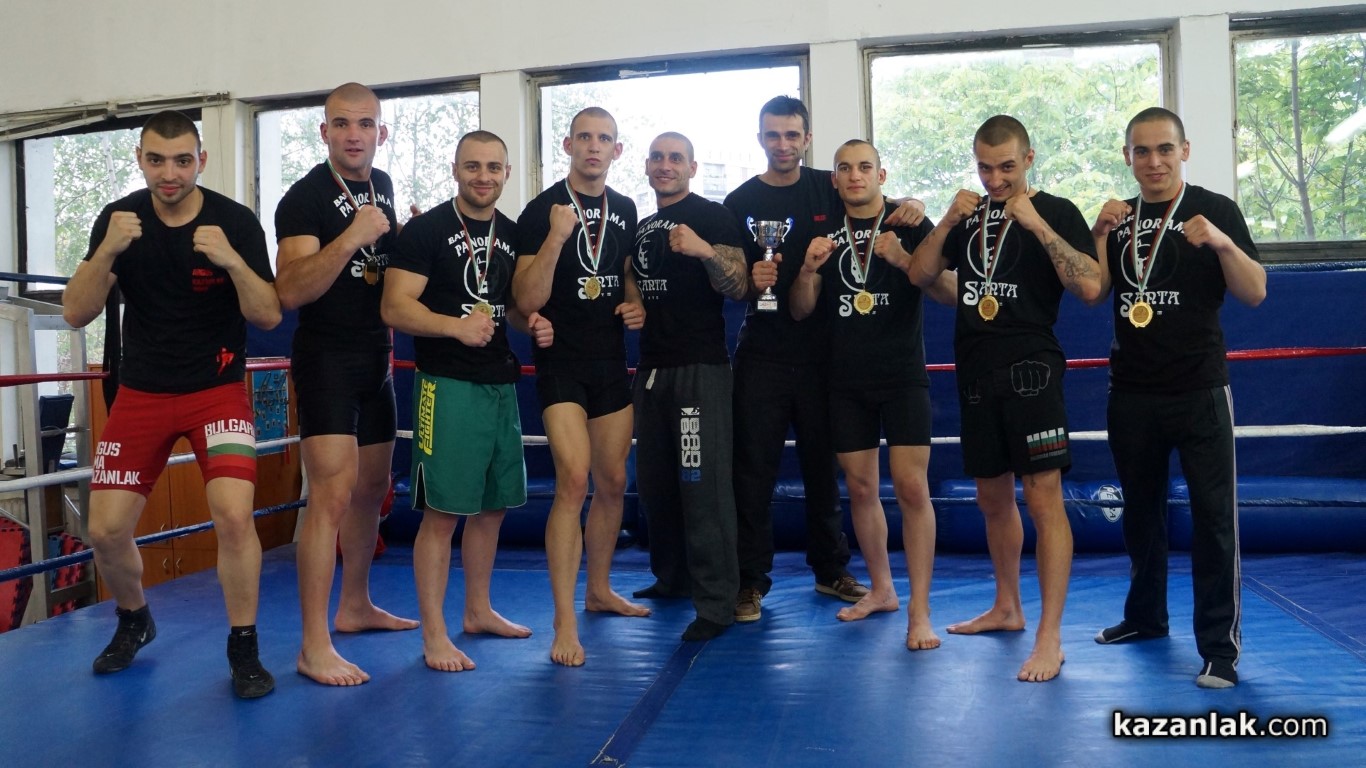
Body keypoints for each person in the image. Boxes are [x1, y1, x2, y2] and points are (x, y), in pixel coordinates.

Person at [62, 110, 281, 698]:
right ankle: (135, 617)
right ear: (139, 159)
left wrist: (232, 260)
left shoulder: (234, 221)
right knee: (105, 530)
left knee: (233, 515)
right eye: (157, 160)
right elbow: (75, 312)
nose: (170, 173)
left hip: (217, 391)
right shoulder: (119, 219)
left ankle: (244, 647)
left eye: (183, 160)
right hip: (142, 393)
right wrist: (106, 252)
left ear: (200, 161)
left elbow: (267, 315)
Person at [907, 115, 1102, 682]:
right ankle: (1007, 606)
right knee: (992, 498)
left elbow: (1091, 287)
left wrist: (1037, 225)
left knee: (1043, 497)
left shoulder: (1057, 210)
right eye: (985, 168)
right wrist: (948, 218)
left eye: (1007, 167)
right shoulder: (968, 217)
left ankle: (1050, 637)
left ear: (1029, 159)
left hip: (1032, 370)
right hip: (975, 371)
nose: (995, 179)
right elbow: (920, 275)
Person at [724, 96, 923, 623]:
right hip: (763, 352)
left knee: (824, 471)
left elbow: (873, 203)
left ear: (806, 139)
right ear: (760, 138)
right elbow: (729, 278)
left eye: (792, 135)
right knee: (753, 472)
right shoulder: (739, 200)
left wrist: (911, 204)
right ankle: (749, 581)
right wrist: (750, 281)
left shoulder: (828, 186)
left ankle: (831, 569)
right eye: (773, 135)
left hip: (825, 355)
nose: (783, 144)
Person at [1089, 107, 1265, 689]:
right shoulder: (1118, 218)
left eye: (1165, 149)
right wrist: (1097, 235)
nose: (1154, 161)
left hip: (1199, 389)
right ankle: (1145, 617)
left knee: (1214, 521)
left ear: (1184, 151)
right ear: (1128, 157)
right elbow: (1093, 292)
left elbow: (1256, 293)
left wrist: (1222, 244)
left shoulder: (1215, 209)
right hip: (1131, 392)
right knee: (1140, 514)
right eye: (1142, 151)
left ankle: (1220, 649)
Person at [382, 130, 554, 671]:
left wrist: (533, 323)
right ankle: (434, 635)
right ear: (456, 169)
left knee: (492, 507)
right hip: (446, 385)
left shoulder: (512, 233)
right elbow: (394, 306)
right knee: (442, 514)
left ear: (507, 173)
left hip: (499, 383)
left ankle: (477, 610)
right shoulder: (427, 230)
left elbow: (512, 307)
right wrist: (455, 327)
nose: (484, 177)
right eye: (473, 166)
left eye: (494, 167)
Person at [274, 82, 418, 687]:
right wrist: (351, 237)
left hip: (376, 357)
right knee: (329, 498)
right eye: (342, 124)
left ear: (381, 132)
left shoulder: (380, 185)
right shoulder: (304, 198)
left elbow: (381, 269)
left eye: (364, 124)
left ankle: (355, 604)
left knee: (371, 490)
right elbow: (290, 289)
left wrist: (405, 236)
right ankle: (313, 645)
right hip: (327, 360)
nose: (354, 135)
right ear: (325, 131)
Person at [790, 140, 955, 647]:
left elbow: (950, 292)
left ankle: (920, 610)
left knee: (911, 488)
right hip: (845, 381)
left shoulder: (911, 223)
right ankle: (882, 589)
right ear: (835, 179)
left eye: (865, 167)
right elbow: (800, 310)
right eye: (845, 168)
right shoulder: (822, 232)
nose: (855, 175)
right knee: (861, 489)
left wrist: (904, 259)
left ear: (881, 175)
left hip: (902, 376)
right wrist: (807, 270)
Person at [513, 107, 648, 666]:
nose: (594, 147)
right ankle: (564, 621)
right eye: (585, 137)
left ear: (617, 150)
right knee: (573, 479)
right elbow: (525, 298)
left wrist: (635, 302)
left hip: (610, 361)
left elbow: (625, 273)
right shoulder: (540, 210)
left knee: (613, 481)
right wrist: (556, 236)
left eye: (604, 139)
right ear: (568, 145)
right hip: (560, 362)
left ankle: (599, 589)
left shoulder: (627, 208)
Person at [629, 132, 749, 641]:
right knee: (656, 484)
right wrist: (633, 300)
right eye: (657, 157)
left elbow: (739, 284)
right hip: (651, 368)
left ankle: (717, 603)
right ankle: (672, 578)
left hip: (700, 369)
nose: (665, 165)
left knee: (702, 486)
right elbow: (633, 275)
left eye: (675, 158)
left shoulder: (712, 216)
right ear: (647, 166)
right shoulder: (643, 226)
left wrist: (703, 251)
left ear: (692, 168)